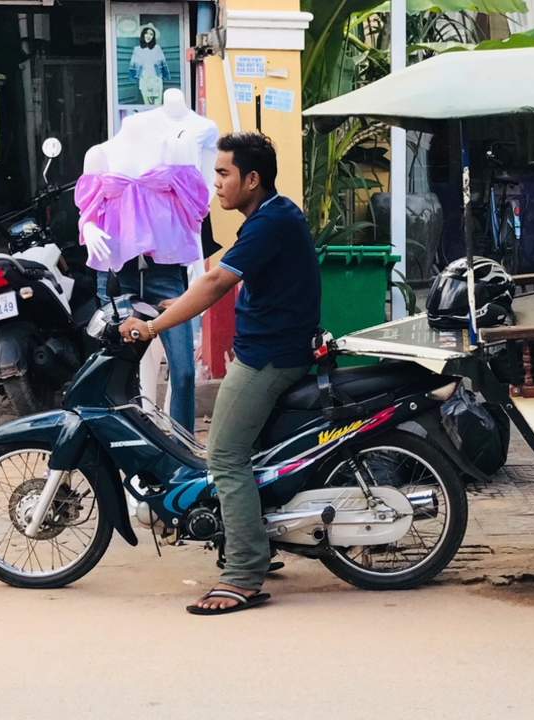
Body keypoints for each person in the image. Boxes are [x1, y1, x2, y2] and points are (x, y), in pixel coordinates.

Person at [120, 132, 321, 616]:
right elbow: (222, 281)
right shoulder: (273, 214)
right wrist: (173, 307)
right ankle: (256, 542)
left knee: (225, 458)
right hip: (274, 349)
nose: (217, 186)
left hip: (269, 358)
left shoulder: (269, 222)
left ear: (253, 179)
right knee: (248, 455)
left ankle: (244, 575)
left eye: (224, 174)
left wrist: (152, 328)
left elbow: (214, 282)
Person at [128, 25, 168, 105]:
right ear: (143, 35)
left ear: (153, 37)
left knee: (158, 106)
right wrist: (134, 76)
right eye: (146, 33)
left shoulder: (157, 48)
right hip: (144, 80)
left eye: (151, 34)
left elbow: (163, 64)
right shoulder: (137, 49)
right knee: (147, 106)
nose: (148, 36)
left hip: (156, 79)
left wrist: (163, 75)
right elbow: (133, 65)